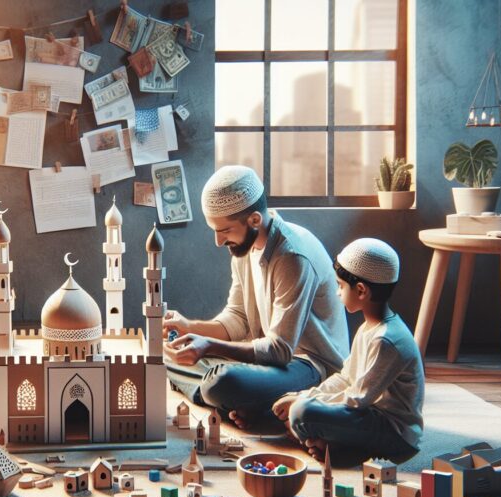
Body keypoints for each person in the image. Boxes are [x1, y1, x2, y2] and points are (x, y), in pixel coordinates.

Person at [164, 165, 349, 429]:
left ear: (253, 220)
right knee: (170, 358)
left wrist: (209, 346)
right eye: (214, 230)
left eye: (224, 231)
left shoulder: (292, 257)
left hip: (309, 367)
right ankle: (257, 406)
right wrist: (190, 328)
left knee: (223, 382)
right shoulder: (242, 247)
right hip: (270, 359)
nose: (218, 241)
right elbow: (237, 319)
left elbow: (280, 350)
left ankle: (272, 406)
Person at [272, 238, 424, 464]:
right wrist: (306, 395)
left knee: (301, 413)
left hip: (396, 433)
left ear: (361, 290)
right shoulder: (368, 329)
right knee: (298, 407)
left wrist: (304, 402)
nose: (337, 293)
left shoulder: (387, 340)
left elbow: (356, 399)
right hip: (369, 415)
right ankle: (333, 446)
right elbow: (347, 378)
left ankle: (339, 447)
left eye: (340, 286)